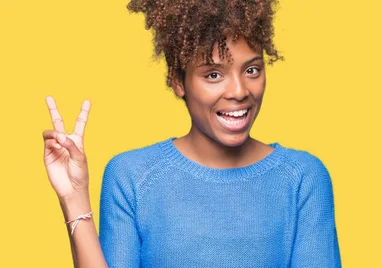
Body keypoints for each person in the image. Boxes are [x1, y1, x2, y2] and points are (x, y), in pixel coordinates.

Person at [42, 0, 341, 267]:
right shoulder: (132, 176)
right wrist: (74, 197)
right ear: (178, 81)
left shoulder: (302, 178)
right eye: (213, 74)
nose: (239, 91)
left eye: (252, 70)